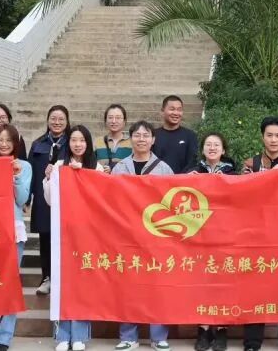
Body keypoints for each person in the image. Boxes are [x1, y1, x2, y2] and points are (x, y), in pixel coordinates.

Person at [112, 121, 174, 351]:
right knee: (128, 287)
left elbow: (171, 202)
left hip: (156, 237)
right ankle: (128, 336)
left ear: (153, 140)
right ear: (130, 139)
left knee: (158, 286)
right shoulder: (120, 168)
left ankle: (159, 336)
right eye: (137, 135)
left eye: (146, 135)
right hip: (127, 235)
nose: (141, 139)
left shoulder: (164, 169)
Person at [242, 117, 278, 351]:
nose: (273, 140)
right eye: (269, 135)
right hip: (256, 236)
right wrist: (268, 176)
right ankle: (252, 341)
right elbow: (242, 192)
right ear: (262, 137)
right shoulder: (251, 164)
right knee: (254, 288)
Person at [48, 124, 107, 351]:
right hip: (63, 232)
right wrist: (49, 178)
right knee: (63, 282)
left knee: (84, 283)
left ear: (88, 143)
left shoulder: (96, 168)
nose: (78, 144)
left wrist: (86, 175)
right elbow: (50, 199)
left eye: (82, 140)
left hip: (88, 234)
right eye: (74, 140)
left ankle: (80, 335)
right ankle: (62, 335)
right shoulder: (59, 166)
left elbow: (101, 200)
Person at [0, 124, 31, 351]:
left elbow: (22, 200)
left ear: (15, 144)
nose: (4, 144)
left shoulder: (24, 166)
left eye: (8, 140)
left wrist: (16, 176)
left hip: (12, 229)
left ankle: (3, 337)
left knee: (9, 283)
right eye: (0, 139)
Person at [188, 133, 236, 351]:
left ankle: (222, 330)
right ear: (203, 149)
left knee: (224, 284)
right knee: (202, 284)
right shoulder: (193, 171)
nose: (212, 148)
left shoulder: (233, 173)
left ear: (223, 150)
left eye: (217, 145)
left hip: (225, 236)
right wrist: (187, 180)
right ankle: (204, 330)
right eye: (208, 144)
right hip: (199, 237)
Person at [29, 105, 70, 296]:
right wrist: (28, 198)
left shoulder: (73, 142)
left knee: (65, 240)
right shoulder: (38, 144)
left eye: (61, 119)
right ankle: (47, 277)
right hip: (43, 200)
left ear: (67, 122)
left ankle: (64, 278)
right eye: (53, 118)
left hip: (67, 201)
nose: (57, 122)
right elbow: (30, 172)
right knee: (45, 239)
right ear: (47, 120)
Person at [152, 94, 198, 174]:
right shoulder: (153, 135)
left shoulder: (190, 135)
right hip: (158, 179)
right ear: (162, 111)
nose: (176, 113)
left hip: (182, 180)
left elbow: (192, 162)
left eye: (179, 110)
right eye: (172, 109)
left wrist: (179, 178)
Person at [96, 104, 132, 169]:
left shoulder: (132, 143)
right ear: (105, 120)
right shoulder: (97, 142)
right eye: (110, 117)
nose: (114, 121)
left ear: (124, 121)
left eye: (118, 118)